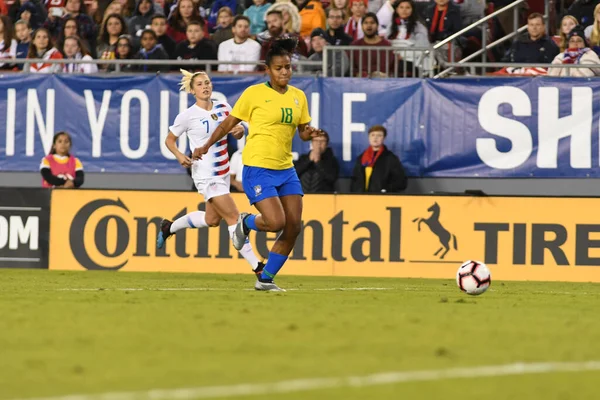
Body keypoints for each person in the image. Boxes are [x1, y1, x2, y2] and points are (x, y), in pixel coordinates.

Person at [192, 37, 325, 292]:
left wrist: (311, 133)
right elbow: (228, 124)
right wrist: (207, 145)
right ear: (268, 70)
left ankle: (265, 278)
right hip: (258, 167)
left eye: (288, 66)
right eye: (279, 67)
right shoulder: (254, 93)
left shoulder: (298, 97)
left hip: (286, 169)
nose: (285, 71)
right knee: (275, 222)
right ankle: (245, 223)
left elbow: (302, 132)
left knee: (294, 226)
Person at [157, 69, 265, 277]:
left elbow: (238, 128)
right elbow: (169, 140)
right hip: (205, 174)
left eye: (207, 82)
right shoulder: (187, 116)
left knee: (212, 220)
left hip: (223, 172)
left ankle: (169, 227)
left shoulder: (224, 107)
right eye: (199, 84)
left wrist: (240, 130)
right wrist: (180, 155)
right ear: (192, 90)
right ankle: (258, 268)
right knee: (234, 217)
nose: (205, 86)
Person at [351, 125, 407, 193]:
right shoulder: (361, 158)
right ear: (369, 137)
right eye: (372, 135)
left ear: (384, 138)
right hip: (361, 199)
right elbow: (355, 180)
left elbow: (401, 181)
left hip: (382, 199)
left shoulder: (391, 158)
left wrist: (385, 190)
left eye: (379, 135)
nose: (375, 138)